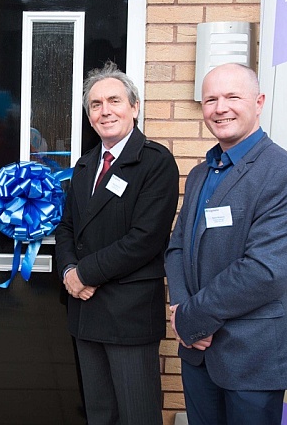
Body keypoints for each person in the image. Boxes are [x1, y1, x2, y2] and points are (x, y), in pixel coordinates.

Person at [165, 63, 287, 425]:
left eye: (233, 97)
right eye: (211, 99)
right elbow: (177, 247)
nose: (220, 108)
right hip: (197, 353)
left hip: (253, 356)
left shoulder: (286, 175)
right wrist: (181, 307)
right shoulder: (203, 172)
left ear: (259, 101)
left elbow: (265, 272)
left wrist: (192, 318)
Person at [55, 60, 179, 425]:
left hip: (129, 314)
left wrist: (84, 274)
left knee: (137, 415)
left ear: (134, 107)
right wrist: (67, 271)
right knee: (100, 414)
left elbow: (145, 239)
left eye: (114, 101)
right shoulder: (84, 165)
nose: (105, 111)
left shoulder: (156, 163)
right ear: (89, 116)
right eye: (96, 105)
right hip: (85, 311)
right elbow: (66, 228)